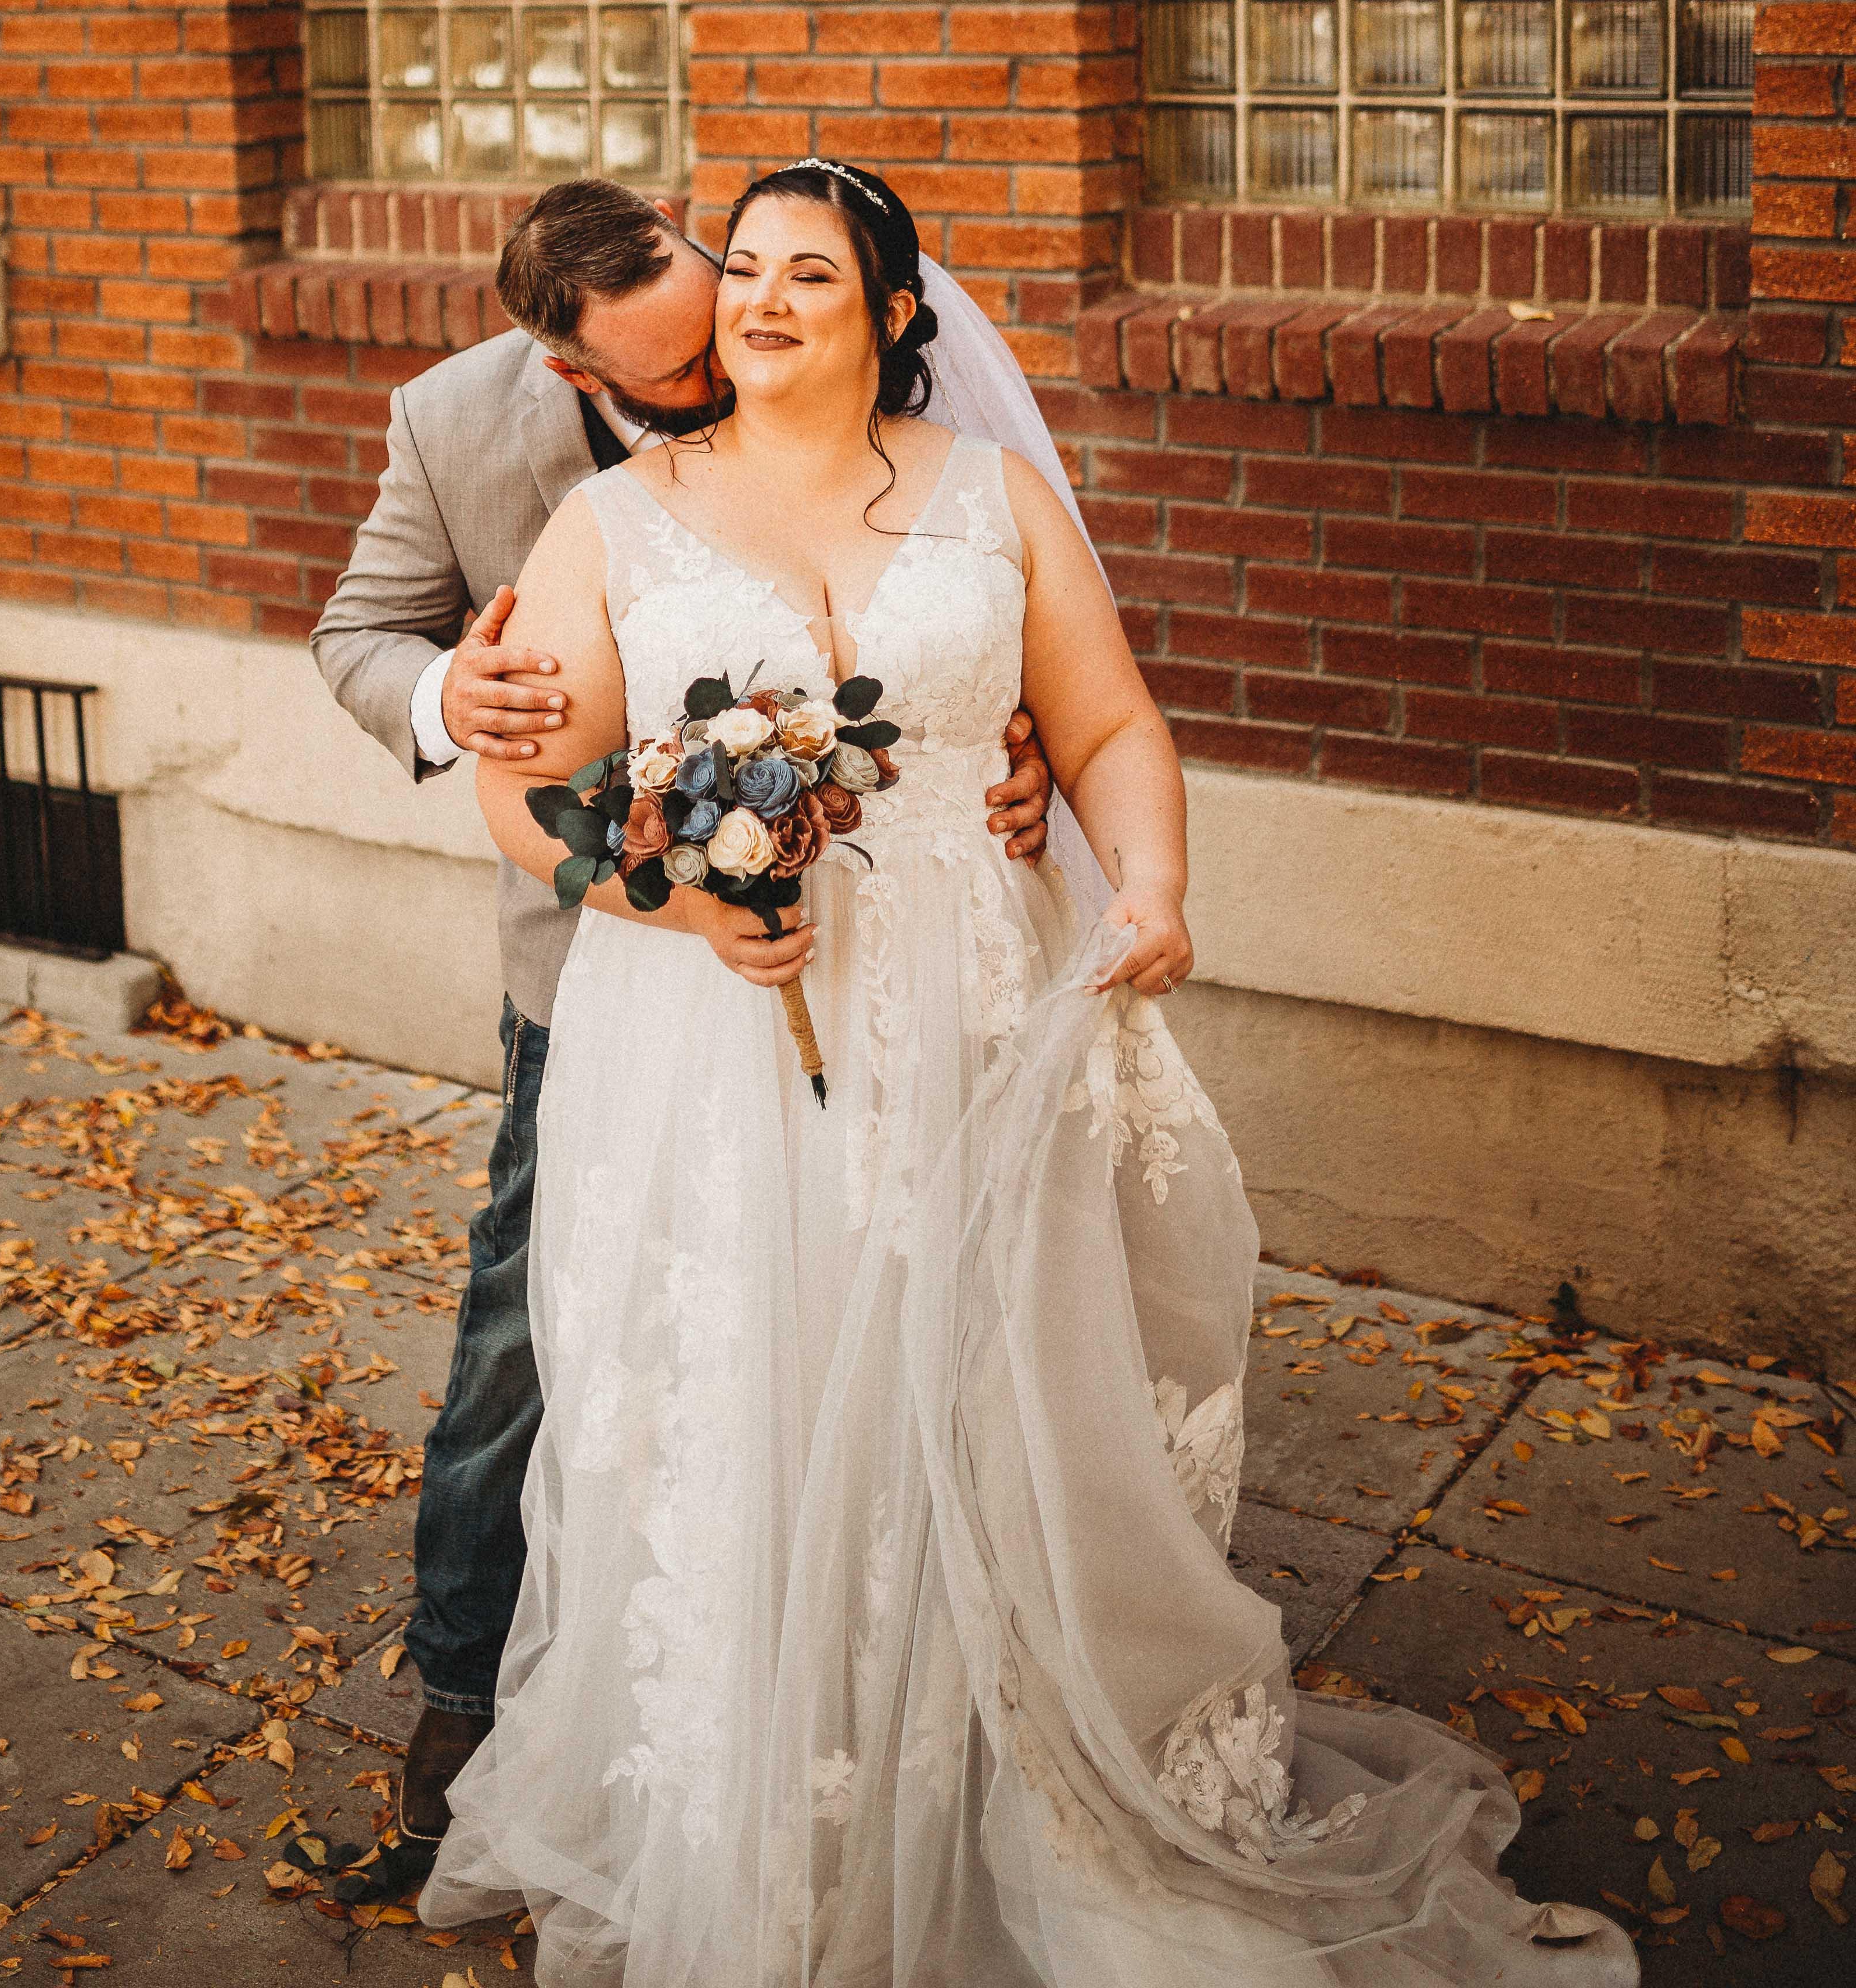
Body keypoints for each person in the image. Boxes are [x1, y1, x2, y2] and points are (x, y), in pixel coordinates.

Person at [420, 160, 1635, 1986]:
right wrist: (671, 896)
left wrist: (1150, 886)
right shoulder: (616, 522)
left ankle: (1007, 1770)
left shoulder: (994, 500)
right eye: (745, 267)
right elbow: (537, 791)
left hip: (970, 1013)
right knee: (747, 1391)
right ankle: (768, 1805)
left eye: (809, 274)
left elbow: (1110, 721)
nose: (761, 299)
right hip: (710, 1041)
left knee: (983, 1378)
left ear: (897, 315)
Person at [310, 178, 1053, 1889]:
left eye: (717, 319)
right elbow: (357, 633)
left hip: (900, 961)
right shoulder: (455, 424)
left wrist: (1010, 746)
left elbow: (961, 597)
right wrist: (445, 698)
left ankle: (896, 1664)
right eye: (671, 379)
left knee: (893, 1299)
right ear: (572, 370)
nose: (725, 371)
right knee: (535, 1331)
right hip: (616, 965)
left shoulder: (809, 308)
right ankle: (467, 1699)